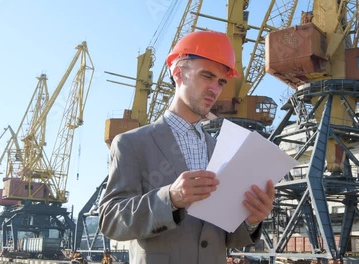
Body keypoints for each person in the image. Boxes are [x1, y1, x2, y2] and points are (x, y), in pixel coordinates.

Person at [98, 30, 276, 264]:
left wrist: (252, 219)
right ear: (178, 72)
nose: (215, 88)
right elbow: (110, 220)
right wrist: (170, 198)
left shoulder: (222, 152)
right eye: (207, 76)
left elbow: (225, 238)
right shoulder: (131, 144)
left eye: (221, 81)